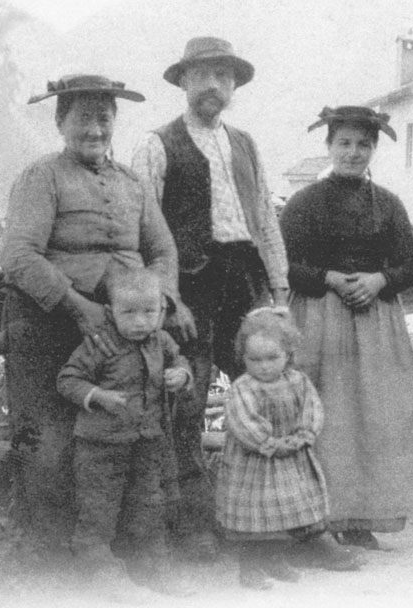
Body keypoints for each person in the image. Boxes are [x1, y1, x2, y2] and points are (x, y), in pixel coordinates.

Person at [0, 74, 182, 552]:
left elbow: (162, 249)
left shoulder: (133, 183)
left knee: (127, 441)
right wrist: (78, 307)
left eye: (104, 117)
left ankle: (119, 555)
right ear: (61, 122)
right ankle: (55, 568)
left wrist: (160, 300)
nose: (95, 129)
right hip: (50, 326)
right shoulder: (43, 177)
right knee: (52, 448)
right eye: (83, 117)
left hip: (120, 333)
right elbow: (18, 256)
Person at [132, 36, 289, 556]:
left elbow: (265, 218)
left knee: (264, 398)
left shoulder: (244, 143)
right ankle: (192, 524)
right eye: (201, 75)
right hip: (188, 289)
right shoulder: (157, 145)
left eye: (223, 77)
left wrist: (279, 288)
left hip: (244, 283)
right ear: (182, 82)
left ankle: (262, 520)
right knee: (186, 405)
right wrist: (162, 296)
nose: (213, 86)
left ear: (234, 87)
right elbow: (143, 232)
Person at [280, 106, 413, 550]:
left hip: (375, 320)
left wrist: (380, 280)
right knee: (325, 417)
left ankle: (358, 518)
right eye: (344, 143)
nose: (354, 153)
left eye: (363, 145)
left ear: (373, 150)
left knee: (370, 418)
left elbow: (410, 265)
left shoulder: (390, 205)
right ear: (329, 146)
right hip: (320, 316)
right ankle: (315, 519)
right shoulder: (304, 203)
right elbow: (284, 263)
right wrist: (329, 278)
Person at [57, 268, 192, 600]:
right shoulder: (100, 343)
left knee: (149, 504)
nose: (140, 321)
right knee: (99, 508)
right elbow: (68, 379)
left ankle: (153, 568)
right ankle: (100, 571)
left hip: (147, 441)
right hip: (100, 446)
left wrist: (182, 376)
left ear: (161, 310)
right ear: (110, 312)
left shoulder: (162, 341)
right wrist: (97, 396)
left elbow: (181, 362)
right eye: (128, 312)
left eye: (149, 311)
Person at [215, 308, 359, 590]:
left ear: (288, 354)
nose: (264, 366)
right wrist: (268, 443)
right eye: (254, 359)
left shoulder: (297, 381)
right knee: (257, 517)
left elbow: (312, 409)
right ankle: (250, 568)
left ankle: (276, 559)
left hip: (291, 457)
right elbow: (243, 421)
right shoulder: (242, 387)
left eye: (272, 358)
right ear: (242, 358)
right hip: (254, 464)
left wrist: (303, 435)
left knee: (286, 513)